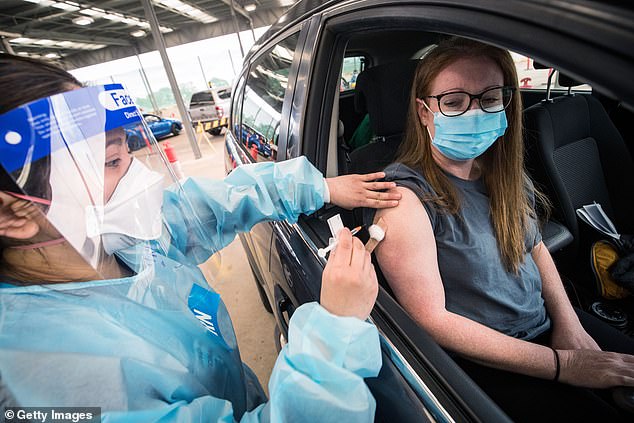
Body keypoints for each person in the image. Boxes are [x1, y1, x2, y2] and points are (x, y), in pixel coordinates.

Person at [0, 54, 402, 421]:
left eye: (127, 151)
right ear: (13, 214)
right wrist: (334, 333)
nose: (143, 178)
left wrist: (321, 188)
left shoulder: (120, 241)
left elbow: (215, 203)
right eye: (108, 162)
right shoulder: (51, 381)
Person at [365, 37, 634, 422]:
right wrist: (562, 365)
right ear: (424, 112)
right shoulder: (406, 200)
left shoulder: (500, 172)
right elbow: (433, 320)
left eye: (489, 98)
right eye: (454, 102)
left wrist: (569, 325)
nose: (475, 113)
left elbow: (535, 246)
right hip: (488, 360)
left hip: (546, 326)